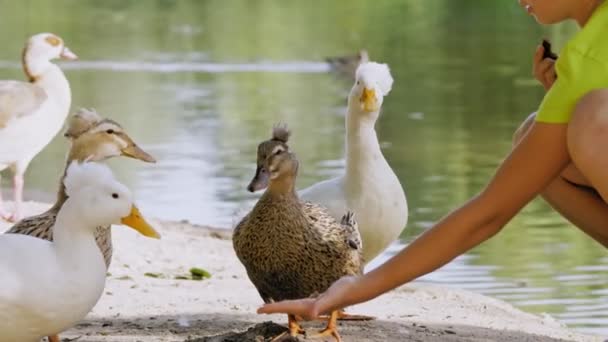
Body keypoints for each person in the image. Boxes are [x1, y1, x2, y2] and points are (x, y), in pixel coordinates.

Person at [257, 0, 608, 320]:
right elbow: (491, 209)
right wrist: (352, 289)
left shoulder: (593, 57)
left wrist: (357, 288)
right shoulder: (588, 56)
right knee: (538, 135)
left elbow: (489, 214)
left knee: (593, 118)